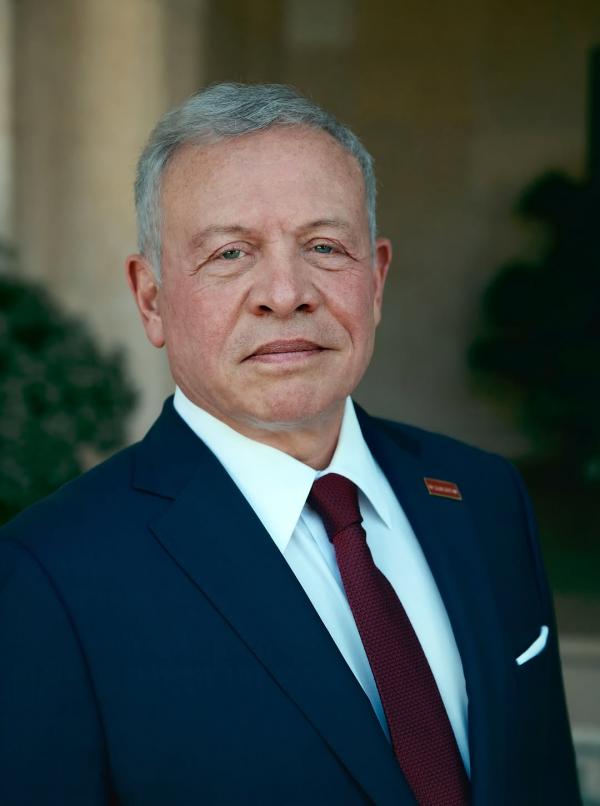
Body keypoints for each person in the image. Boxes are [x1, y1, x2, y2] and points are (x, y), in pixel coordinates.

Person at [0, 83, 581, 806]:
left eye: (324, 247)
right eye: (231, 253)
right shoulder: (49, 577)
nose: (285, 293)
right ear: (151, 299)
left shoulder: (486, 496)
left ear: (376, 280)